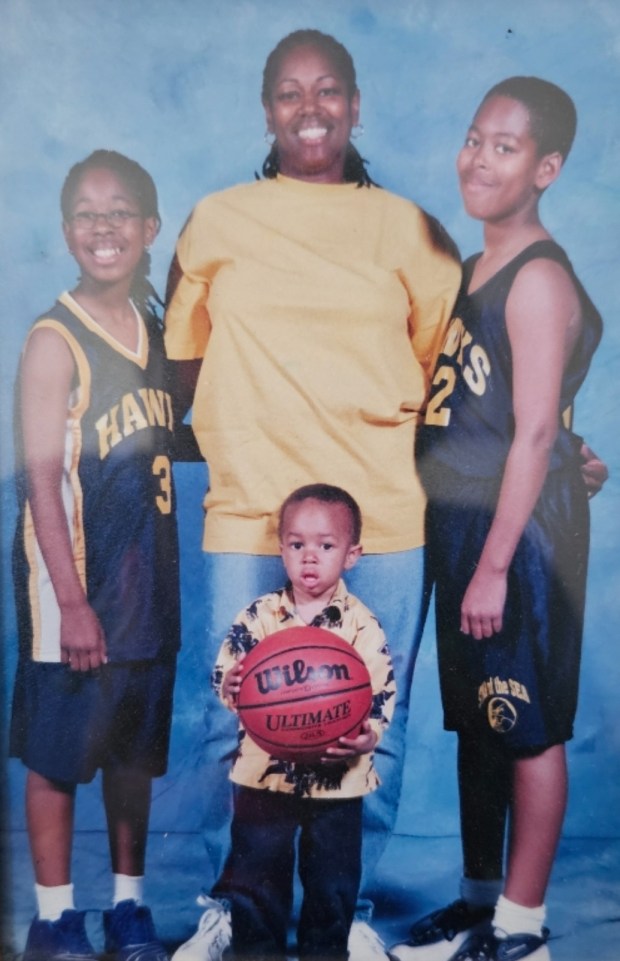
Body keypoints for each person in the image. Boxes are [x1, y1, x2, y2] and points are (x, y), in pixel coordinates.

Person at [164, 28, 461, 961]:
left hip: (379, 507)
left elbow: (451, 366)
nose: (310, 108)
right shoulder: (217, 218)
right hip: (252, 506)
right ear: (266, 111)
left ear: (356, 104)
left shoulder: (408, 227)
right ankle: (237, 903)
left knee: (373, 711)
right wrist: (240, 433)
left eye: (328, 90)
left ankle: (351, 909)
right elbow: (182, 357)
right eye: (289, 93)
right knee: (234, 714)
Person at [390, 77, 603, 961]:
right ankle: (480, 903)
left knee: (525, 719)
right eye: (475, 138)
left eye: (506, 147)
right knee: (479, 717)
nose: (480, 159)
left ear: (546, 167)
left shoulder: (539, 275)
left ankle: (521, 929)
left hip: (515, 533)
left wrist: (493, 563)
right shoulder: (473, 266)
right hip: (467, 518)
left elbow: (536, 429)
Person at [10, 150, 180, 961]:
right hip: (72, 588)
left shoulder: (156, 330)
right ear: (67, 229)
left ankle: (127, 906)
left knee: (130, 756)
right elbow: (40, 478)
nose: (103, 225)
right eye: (86, 211)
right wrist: (72, 601)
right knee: (59, 752)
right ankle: (52, 916)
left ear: (150, 230)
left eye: (121, 212)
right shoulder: (54, 339)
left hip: (145, 581)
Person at [208, 483, 394, 961]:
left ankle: (326, 953)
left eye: (326, 546)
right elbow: (228, 675)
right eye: (297, 545)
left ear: (352, 555)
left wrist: (367, 736)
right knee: (257, 879)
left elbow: (380, 694)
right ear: (281, 549)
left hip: (340, 781)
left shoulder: (362, 625)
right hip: (262, 779)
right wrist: (231, 687)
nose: (310, 558)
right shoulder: (258, 617)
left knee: (332, 887)